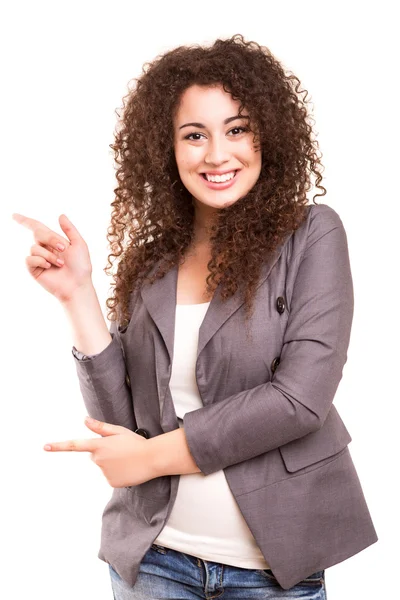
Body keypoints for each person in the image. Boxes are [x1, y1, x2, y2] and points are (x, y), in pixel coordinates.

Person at [13, 34, 378, 599]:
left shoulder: (312, 235)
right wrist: (76, 294)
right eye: (194, 135)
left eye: (236, 129)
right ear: (168, 149)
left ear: (267, 135)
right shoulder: (155, 260)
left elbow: (300, 400)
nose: (216, 154)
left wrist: (148, 459)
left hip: (271, 572)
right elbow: (122, 421)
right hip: (156, 563)